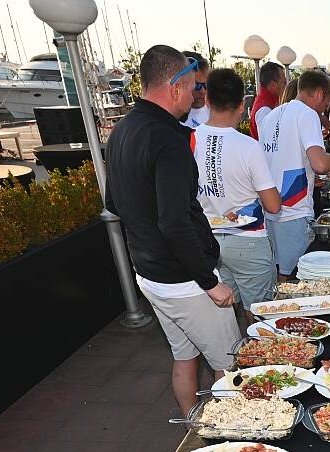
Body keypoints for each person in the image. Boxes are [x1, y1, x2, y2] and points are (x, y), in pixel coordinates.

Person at [105, 45, 237, 416]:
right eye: (194, 85)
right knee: (230, 366)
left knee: (184, 356)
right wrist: (210, 284)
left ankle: (191, 428)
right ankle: (229, 442)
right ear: (175, 84)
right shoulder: (169, 139)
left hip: (149, 276)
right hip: (185, 281)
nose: (197, 93)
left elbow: (113, 205)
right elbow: (174, 222)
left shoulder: (121, 131)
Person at [192, 68, 282, 310]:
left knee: (227, 309)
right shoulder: (249, 147)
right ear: (242, 105)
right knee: (260, 313)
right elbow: (273, 205)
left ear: (207, 100)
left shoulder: (188, 140)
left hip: (206, 239)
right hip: (248, 240)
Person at [258, 69, 330, 278]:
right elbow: (319, 163)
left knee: (277, 273)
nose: (325, 107)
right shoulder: (307, 114)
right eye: (326, 102)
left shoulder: (271, 116)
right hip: (294, 208)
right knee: (294, 278)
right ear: (319, 94)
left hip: (270, 206)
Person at [249, 61, 286, 140]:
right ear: (273, 84)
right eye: (283, 83)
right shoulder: (264, 109)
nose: (285, 86)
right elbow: (269, 141)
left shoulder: (266, 103)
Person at [180, 51, 210, 128]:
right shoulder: (166, 117)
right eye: (196, 85)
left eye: (206, 85)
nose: (203, 91)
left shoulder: (217, 114)